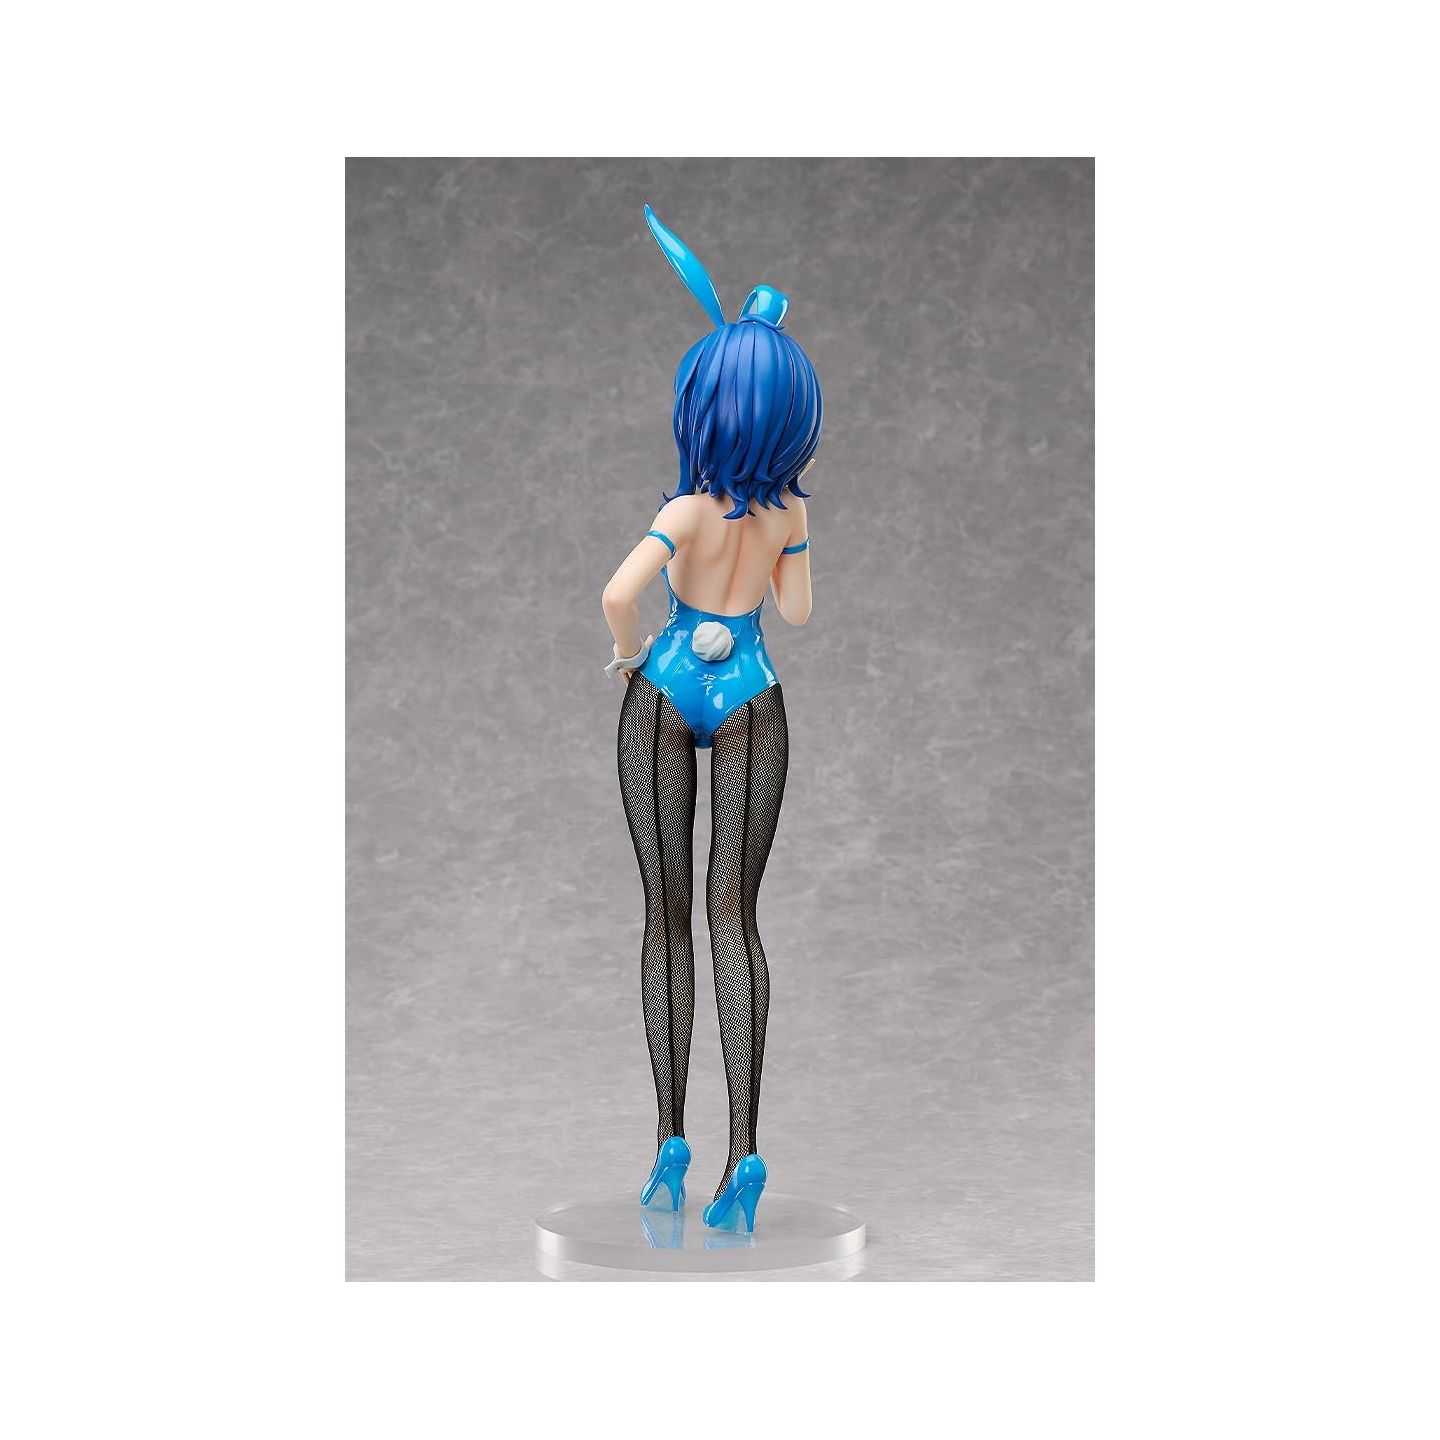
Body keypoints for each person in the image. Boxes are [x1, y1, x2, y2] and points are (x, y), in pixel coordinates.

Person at [601, 205, 822, 1232]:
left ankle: (667, 1142)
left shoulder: (685, 511)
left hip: (666, 685)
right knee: (736, 916)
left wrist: (627, 653)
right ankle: (745, 1153)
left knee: (666, 918)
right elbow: (798, 614)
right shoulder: (790, 513)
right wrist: (780, 554)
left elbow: (617, 593)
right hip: (752, 698)